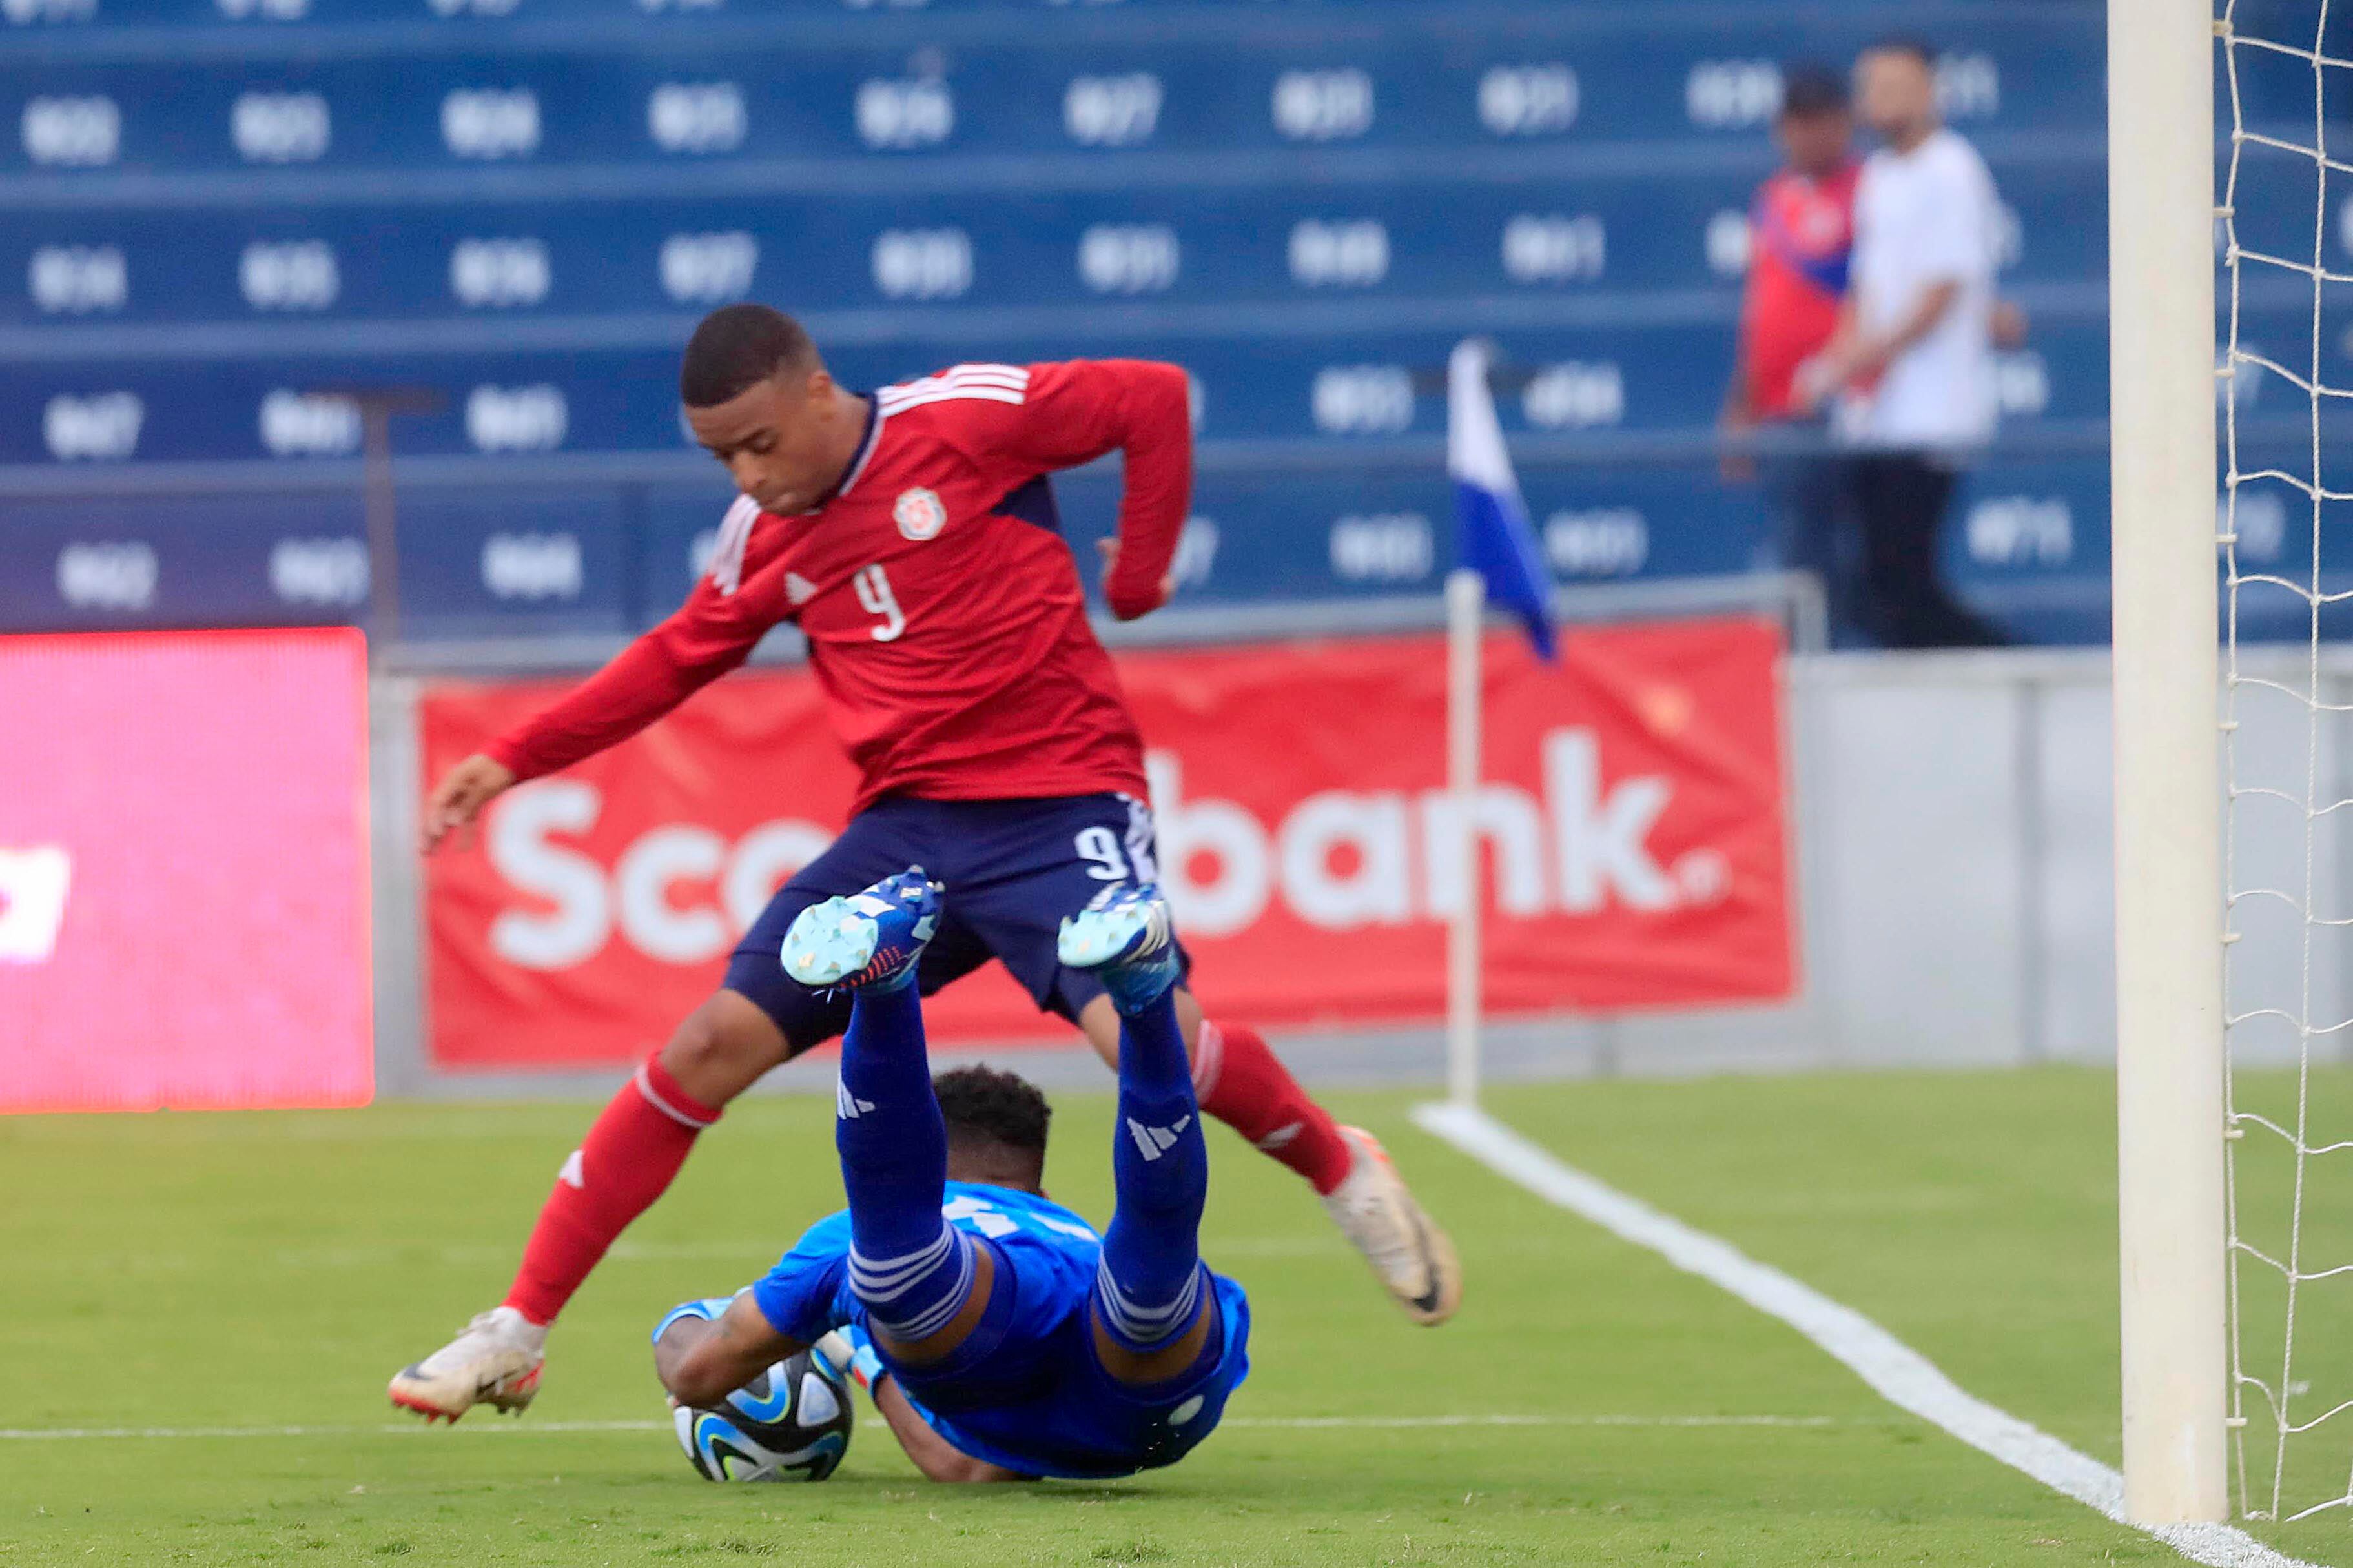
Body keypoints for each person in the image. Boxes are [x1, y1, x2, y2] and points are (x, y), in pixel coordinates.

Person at [390, 305, 1459, 1424]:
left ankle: (1344, 1170)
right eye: (722, 458)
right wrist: (511, 756)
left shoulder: (962, 419)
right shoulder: (764, 540)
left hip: (1059, 800)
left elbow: (1147, 395)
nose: (748, 477)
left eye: (760, 443)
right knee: (705, 1043)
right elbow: (671, 660)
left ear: (815, 391)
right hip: (907, 831)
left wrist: (1137, 579)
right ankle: (515, 1329)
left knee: (1162, 1049)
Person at [653, 876, 1249, 1481]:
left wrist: (683, 1325)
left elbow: (695, 1375)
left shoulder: (840, 1242)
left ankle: (885, 984)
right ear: (1036, 1190)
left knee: (898, 1267)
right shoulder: (1062, 1228)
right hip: (1159, 1384)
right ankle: (1148, 999)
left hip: (993, 1332)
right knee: (1150, 1280)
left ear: (927, 1155)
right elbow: (974, 1465)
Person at [1800, 35, 2009, 648]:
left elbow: (1939, 297)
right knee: (1878, 585)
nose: (1881, 99)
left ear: (1930, 91)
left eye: (1896, 86)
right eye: (1873, 87)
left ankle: (2017, 670)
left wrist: (1851, 362)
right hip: (1877, 414)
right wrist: (1841, 362)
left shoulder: (1953, 168)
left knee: (1904, 579)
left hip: (1933, 412)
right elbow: (1866, 289)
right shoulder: (1880, 176)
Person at [1720, 64, 1864, 643]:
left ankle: (1857, 672)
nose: (1808, 136)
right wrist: (1741, 405)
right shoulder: (1772, 200)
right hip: (1782, 410)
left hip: (1850, 405)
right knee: (1798, 556)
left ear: (1844, 123)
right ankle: (1810, 670)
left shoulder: (1873, 190)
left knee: (1856, 558)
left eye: (1820, 121)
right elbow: (1762, 311)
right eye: (1796, 123)